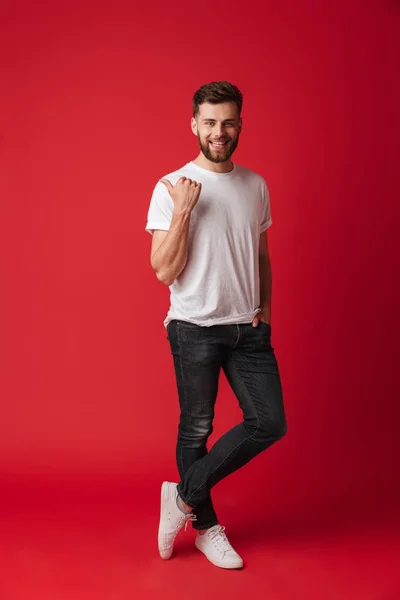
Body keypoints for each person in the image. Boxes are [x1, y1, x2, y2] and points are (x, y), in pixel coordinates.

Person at [145, 81, 287, 569]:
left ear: (240, 124)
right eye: (209, 123)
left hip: (248, 329)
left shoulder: (255, 185)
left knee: (269, 423)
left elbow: (261, 255)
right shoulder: (171, 186)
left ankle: (180, 497)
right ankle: (206, 527)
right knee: (196, 430)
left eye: (228, 122)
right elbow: (164, 269)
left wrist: (263, 308)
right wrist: (185, 209)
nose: (219, 132)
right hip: (194, 326)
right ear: (194, 125)